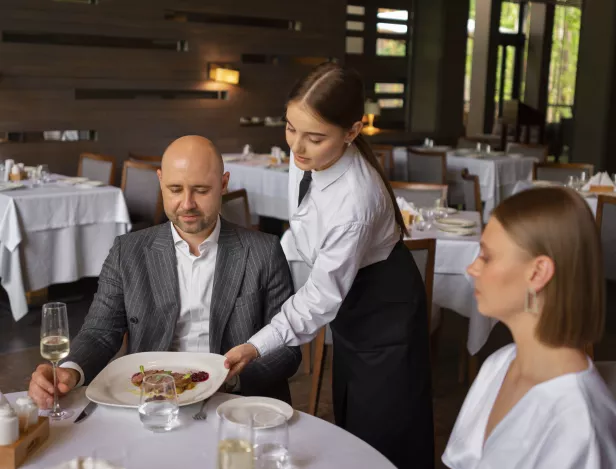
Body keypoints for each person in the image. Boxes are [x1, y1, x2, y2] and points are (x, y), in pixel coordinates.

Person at [224, 63, 434, 468]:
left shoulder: (355, 201)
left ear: (353, 131)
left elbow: (320, 297)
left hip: (384, 306)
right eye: (290, 129)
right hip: (351, 300)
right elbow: (303, 232)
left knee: (385, 433)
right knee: (350, 413)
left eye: (315, 137)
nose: (297, 147)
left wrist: (257, 345)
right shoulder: (304, 153)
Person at [28, 136, 301, 407]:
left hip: (234, 401)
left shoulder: (265, 251)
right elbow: (100, 331)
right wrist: (70, 370)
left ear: (224, 183)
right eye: (174, 189)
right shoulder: (128, 251)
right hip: (151, 401)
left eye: (201, 190)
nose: (187, 204)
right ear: (160, 181)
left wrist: (230, 381)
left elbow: (287, 348)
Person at [443, 187, 616, 468]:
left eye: (486, 257)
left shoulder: (578, 423)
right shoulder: (499, 365)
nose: (471, 269)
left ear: (538, 273)